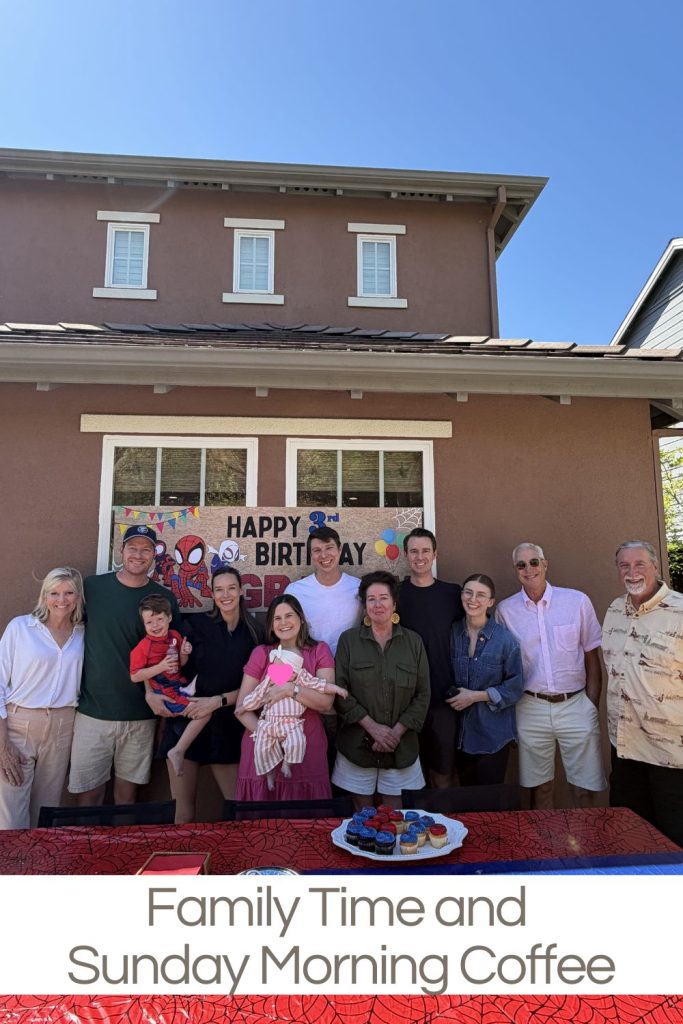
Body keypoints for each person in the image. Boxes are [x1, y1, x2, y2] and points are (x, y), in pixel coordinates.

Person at [68, 524, 182, 806]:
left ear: (154, 555)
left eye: (146, 549)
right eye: (133, 547)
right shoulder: (92, 588)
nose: (138, 555)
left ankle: (121, 852)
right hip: (93, 712)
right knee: (89, 796)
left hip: (140, 715)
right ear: (121, 551)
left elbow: (169, 654)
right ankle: (86, 851)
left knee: (126, 797)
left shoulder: (164, 598)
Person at [496, 542, 606, 809]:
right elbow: (503, 666)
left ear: (545, 564)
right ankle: (545, 849)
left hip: (576, 704)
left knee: (584, 788)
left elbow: (593, 658)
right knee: (540, 789)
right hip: (530, 706)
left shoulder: (577, 601)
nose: (528, 569)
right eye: (521, 565)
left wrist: (591, 705)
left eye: (534, 562)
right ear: (515, 570)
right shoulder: (505, 610)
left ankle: (587, 848)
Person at [159, 566, 262, 823]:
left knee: (237, 810)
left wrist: (217, 701)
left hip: (229, 726)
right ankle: (184, 863)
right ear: (212, 594)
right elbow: (167, 665)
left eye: (230, 588)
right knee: (182, 813)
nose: (225, 595)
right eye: (218, 590)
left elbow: (261, 686)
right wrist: (153, 693)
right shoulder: (195, 625)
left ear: (241, 591)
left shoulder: (255, 634)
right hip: (188, 721)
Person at [602, 541, 683, 846]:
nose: (632, 572)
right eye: (624, 565)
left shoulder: (679, 611)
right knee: (629, 833)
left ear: (655, 567)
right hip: (625, 746)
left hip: (670, 754)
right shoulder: (614, 610)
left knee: (673, 837)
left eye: (640, 564)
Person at [332, 571, 430, 810]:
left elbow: (423, 694)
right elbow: (340, 691)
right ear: (364, 606)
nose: (378, 604)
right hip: (357, 745)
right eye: (371, 599)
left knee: (395, 819)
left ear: (394, 603)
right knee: (362, 819)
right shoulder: (349, 641)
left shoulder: (413, 641)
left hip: (401, 746)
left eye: (384, 598)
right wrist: (373, 728)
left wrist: (394, 733)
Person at [0, 567, 85, 829]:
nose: (62, 600)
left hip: (62, 724)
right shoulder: (21, 628)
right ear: (44, 595)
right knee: (11, 814)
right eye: (55, 593)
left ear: (78, 596)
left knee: (47, 810)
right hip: (19, 723)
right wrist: (2, 744)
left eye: (69, 592)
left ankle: (40, 868)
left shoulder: (83, 633)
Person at [234, 594, 335, 800]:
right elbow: (242, 709)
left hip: (306, 749)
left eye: (289, 615)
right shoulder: (262, 653)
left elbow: (326, 702)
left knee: (306, 822)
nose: (283, 623)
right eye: (277, 618)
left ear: (301, 619)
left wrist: (291, 690)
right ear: (270, 625)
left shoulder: (318, 652)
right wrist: (273, 736)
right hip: (262, 748)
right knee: (262, 826)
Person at [285, 525, 361, 766]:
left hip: (354, 689)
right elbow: (283, 644)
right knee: (315, 760)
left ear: (340, 550)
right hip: (310, 692)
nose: (324, 555)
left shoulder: (359, 589)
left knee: (351, 762)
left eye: (329, 548)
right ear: (310, 555)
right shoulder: (296, 591)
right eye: (317, 550)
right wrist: (283, 682)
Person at [398, 527, 464, 787]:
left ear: (435, 554)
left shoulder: (452, 594)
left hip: (443, 699)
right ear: (405, 555)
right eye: (414, 551)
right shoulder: (396, 595)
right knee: (406, 774)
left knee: (442, 772)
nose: (420, 556)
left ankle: (442, 827)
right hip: (404, 699)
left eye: (425, 551)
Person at [449, 574, 523, 784]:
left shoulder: (505, 640)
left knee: (489, 801)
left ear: (490, 602)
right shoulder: (452, 633)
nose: (473, 599)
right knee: (465, 801)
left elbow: (515, 687)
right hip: (458, 735)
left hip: (493, 734)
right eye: (468, 592)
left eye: (481, 595)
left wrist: (475, 696)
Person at [238, 645, 347, 788]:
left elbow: (321, 685)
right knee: (262, 748)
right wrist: (244, 706)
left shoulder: (301, 679)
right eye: (276, 668)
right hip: (269, 723)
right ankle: (269, 773)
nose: (279, 672)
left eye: (284, 669)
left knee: (297, 742)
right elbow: (256, 696)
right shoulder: (268, 682)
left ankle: (287, 763)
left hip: (292, 723)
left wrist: (337, 689)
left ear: (295, 669)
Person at [129, 594, 197, 778]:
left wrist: (185, 653)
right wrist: (160, 667)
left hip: (178, 685)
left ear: (169, 618)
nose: (156, 625)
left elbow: (181, 664)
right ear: (143, 624)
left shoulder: (174, 636)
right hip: (164, 692)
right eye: (150, 622)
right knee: (203, 712)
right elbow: (135, 676)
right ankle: (177, 751)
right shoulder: (144, 647)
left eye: (160, 619)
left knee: (202, 703)